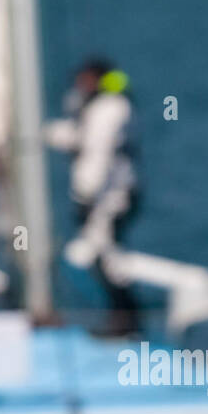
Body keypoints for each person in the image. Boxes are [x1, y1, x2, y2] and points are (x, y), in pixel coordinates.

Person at [44, 58, 140, 336]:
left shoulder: (109, 109)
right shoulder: (103, 108)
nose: (79, 86)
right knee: (103, 253)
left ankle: (125, 320)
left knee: (105, 255)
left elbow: (98, 153)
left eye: (84, 79)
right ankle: (123, 319)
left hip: (110, 198)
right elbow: (81, 138)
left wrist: (85, 196)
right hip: (108, 195)